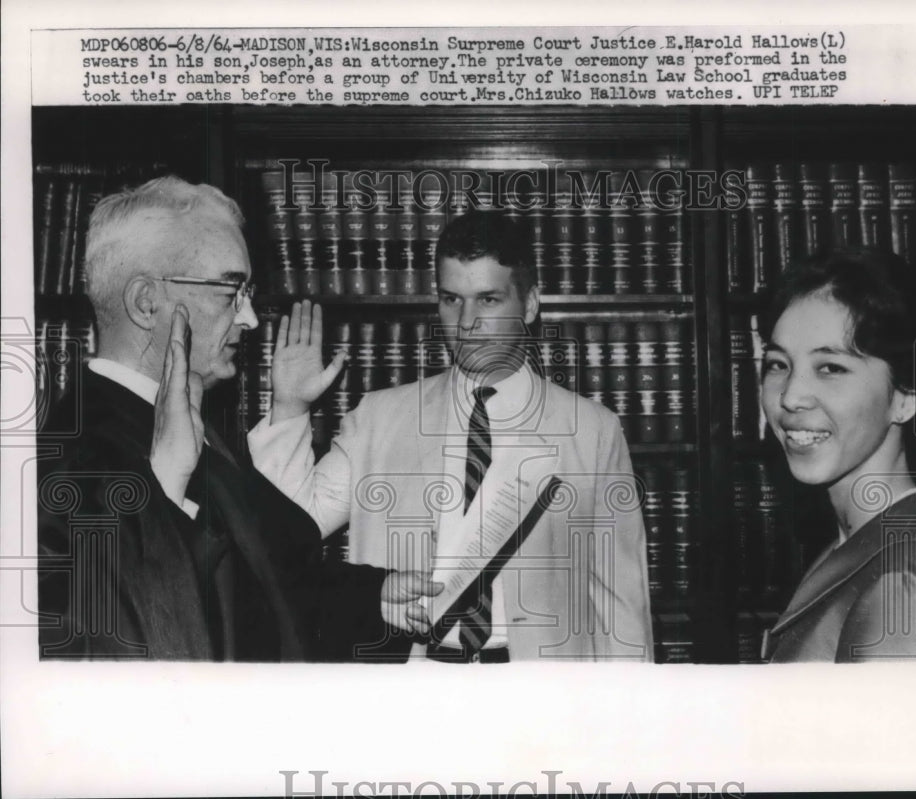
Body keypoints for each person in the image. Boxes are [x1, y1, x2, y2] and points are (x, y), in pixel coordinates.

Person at [37, 175, 439, 661]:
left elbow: (267, 580)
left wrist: (371, 596)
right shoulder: (75, 458)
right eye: (230, 292)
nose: (249, 319)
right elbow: (101, 659)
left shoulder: (194, 425)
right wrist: (164, 490)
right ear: (146, 302)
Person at [249, 209, 653, 662]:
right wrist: (289, 408)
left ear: (531, 305)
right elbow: (282, 533)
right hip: (410, 695)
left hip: (541, 702)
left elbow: (621, 605)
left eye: (488, 300)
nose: (466, 323)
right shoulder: (379, 418)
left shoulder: (592, 431)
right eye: (451, 299)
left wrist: (627, 719)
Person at [758, 248, 916, 662]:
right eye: (778, 364)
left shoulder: (904, 593)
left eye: (831, 368)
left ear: (905, 398)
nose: (791, 396)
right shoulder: (856, 544)